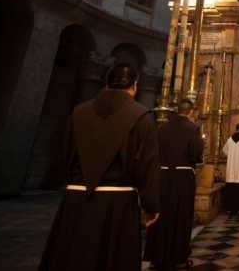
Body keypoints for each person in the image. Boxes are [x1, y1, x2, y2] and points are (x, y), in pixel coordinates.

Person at [40, 63, 160, 271]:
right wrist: (151, 206)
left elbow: (65, 154)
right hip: (117, 205)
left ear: (106, 82)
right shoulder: (141, 116)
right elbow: (147, 165)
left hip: (75, 201)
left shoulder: (78, 112)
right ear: (134, 86)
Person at [144, 99, 203, 270]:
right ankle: (178, 257)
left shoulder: (162, 128)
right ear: (191, 112)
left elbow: (153, 151)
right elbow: (196, 154)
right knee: (181, 215)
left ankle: (156, 256)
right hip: (183, 177)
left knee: (161, 214)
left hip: (162, 176)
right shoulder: (193, 129)